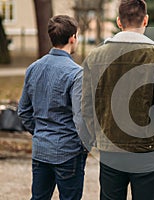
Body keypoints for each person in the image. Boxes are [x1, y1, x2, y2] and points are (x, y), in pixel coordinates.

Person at [81, 0, 154, 199]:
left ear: (119, 21)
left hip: (110, 149)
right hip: (149, 150)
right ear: (146, 20)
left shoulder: (95, 56)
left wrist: (97, 137)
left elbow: (87, 106)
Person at [18, 15, 88, 200]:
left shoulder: (33, 68)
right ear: (73, 38)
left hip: (41, 149)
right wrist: (85, 144)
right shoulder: (76, 73)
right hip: (68, 151)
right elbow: (80, 117)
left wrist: (40, 132)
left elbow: (23, 110)